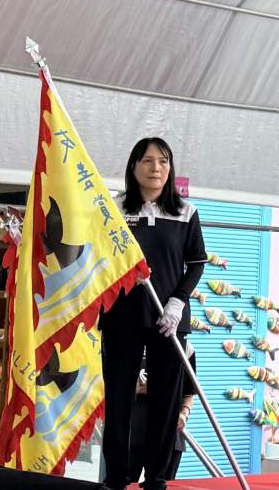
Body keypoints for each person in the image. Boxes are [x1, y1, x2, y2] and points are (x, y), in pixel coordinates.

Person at [100, 137, 206, 490]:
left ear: (170, 168)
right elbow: (98, 259)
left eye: (163, 161)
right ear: (133, 167)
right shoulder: (113, 210)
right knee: (119, 398)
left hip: (168, 320)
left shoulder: (185, 212)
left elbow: (196, 263)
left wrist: (177, 302)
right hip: (122, 315)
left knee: (166, 399)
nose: (155, 168)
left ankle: (157, 478)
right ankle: (116, 476)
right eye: (147, 161)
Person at [128, 345, 198, 484]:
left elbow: (189, 392)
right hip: (133, 432)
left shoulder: (184, 347)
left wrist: (184, 414)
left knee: (164, 483)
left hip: (169, 435)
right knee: (126, 483)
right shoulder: (131, 341)